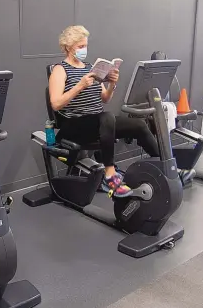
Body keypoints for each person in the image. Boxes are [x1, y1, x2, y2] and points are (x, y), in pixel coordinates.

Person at [49, 25, 160, 197]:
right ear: (67, 47)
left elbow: (105, 98)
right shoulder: (60, 70)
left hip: (98, 121)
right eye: (80, 47)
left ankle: (164, 165)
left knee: (138, 124)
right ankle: (110, 174)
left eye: (85, 46)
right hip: (74, 125)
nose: (84, 50)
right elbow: (56, 104)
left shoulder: (90, 68)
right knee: (107, 117)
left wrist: (112, 83)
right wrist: (79, 86)